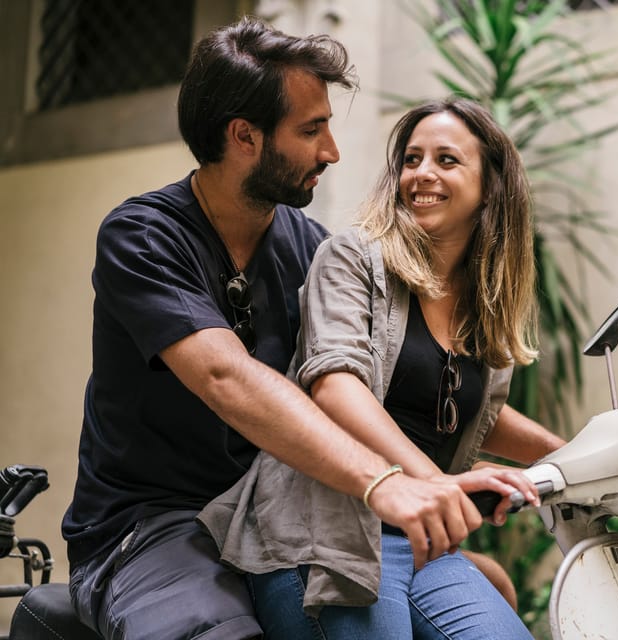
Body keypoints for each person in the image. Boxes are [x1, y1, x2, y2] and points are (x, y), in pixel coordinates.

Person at [61, 19, 501, 640]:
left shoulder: (312, 248)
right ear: (245, 136)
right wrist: (383, 483)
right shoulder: (143, 237)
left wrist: (446, 489)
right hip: (153, 525)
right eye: (310, 129)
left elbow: (393, 380)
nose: (332, 151)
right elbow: (224, 376)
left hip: (280, 517)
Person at [198, 97, 567, 639]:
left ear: (490, 185)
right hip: (322, 532)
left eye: (446, 160)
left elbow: (473, 411)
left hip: (419, 535)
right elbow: (335, 384)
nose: (422, 174)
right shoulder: (351, 258)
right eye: (412, 159)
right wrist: (437, 483)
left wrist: (585, 457)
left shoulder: (483, 300)